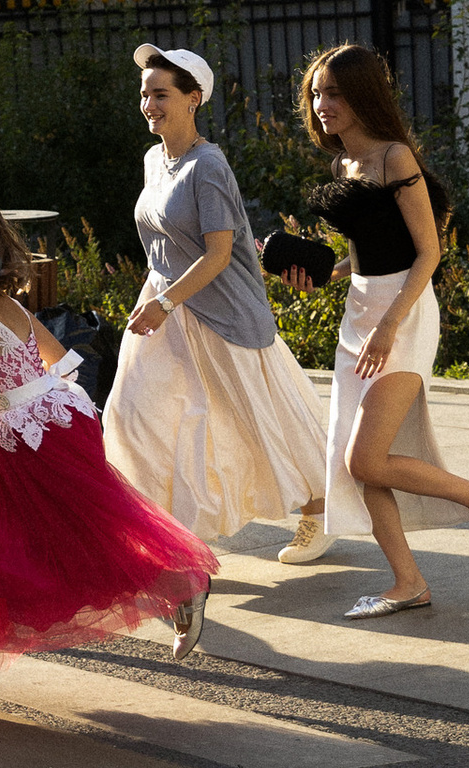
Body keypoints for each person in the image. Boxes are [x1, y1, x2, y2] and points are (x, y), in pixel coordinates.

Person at [0, 197, 215, 694]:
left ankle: (185, 585)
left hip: (20, 440)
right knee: (77, 533)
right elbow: (58, 357)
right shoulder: (10, 307)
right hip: (50, 421)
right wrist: (46, 400)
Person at [300, 43, 469, 619]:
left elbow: (428, 253)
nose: (324, 104)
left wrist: (390, 325)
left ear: (365, 96)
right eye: (318, 93)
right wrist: (325, 272)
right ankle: (408, 582)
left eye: (337, 93)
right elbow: (365, 255)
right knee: (364, 459)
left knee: (366, 460)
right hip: (360, 314)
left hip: (405, 313)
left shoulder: (396, 157)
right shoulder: (343, 165)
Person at [102, 44, 333, 563]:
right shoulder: (153, 159)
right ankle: (168, 529)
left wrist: (164, 301)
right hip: (168, 306)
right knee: (134, 414)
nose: (149, 104)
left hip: (220, 310)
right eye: (144, 94)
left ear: (194, 98)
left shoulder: (208, 165)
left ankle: (319, 509)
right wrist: (159, 300)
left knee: (261, 418)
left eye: (161, 94)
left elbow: (220, 253)